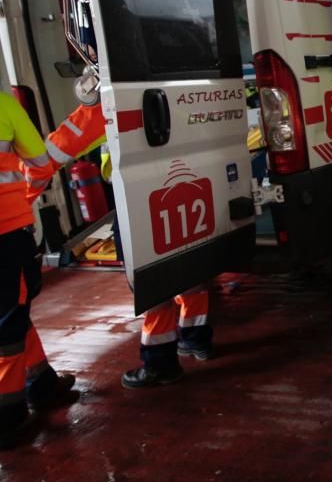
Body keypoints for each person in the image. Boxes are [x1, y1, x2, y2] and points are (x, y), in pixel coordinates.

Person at [27, 101, 213, 389]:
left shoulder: (110, 98)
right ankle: (196, 338)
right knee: (188, 259)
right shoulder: (182, 83)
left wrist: (18, 199)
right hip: (186, 182)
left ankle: (160, 362)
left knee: (150, 276)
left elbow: (56, 150)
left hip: (138, 195)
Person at [1, 91, 77, 450]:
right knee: (9, 320)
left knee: (12, 309)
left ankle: (42, 381)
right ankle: (9, 412)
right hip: (5, 231)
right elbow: (41, 163)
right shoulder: (3, 104)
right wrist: (24, 198)